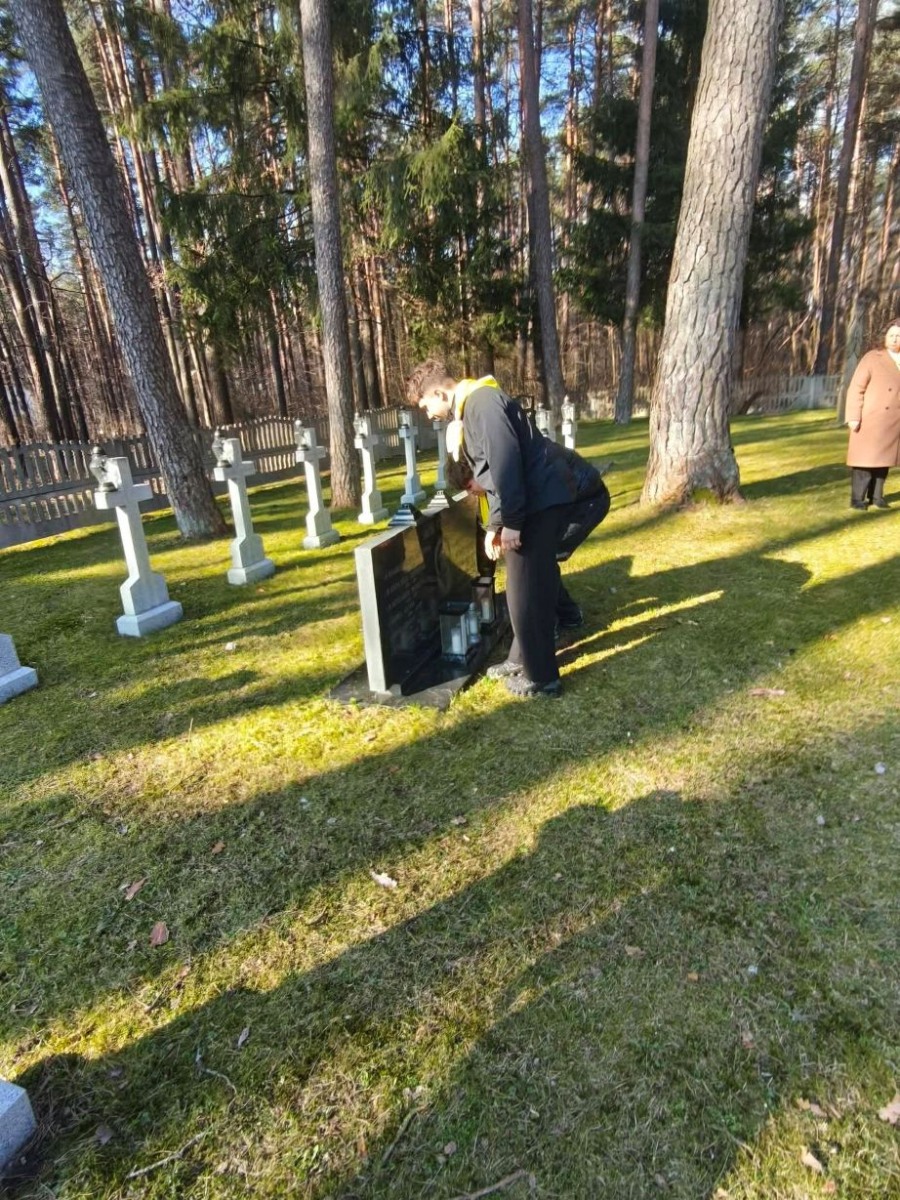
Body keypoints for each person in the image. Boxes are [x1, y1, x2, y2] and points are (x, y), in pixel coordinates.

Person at [407, 361, 610, 698]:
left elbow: (505, 463)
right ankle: (520, 659)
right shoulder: (472, 407)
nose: (428, 415)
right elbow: (490, 473)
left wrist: (511, 522)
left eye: (426, 406)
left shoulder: (481, 403)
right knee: (524, 587)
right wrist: (495, 525)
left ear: (439, 392)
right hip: (534, 502)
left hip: (539, 503)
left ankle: (542, 678)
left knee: (526, 591)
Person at [846, 320, 900, 510]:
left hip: (893, 421)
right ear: (885, 338)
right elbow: (856, 388)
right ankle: (857, 499)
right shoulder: (872, 358)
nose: (895, 339)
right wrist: (853, 416)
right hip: (870, 419)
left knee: (883, 461)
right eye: (891, 335)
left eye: (898, 336)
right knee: (864, 461)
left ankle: (877, 497)